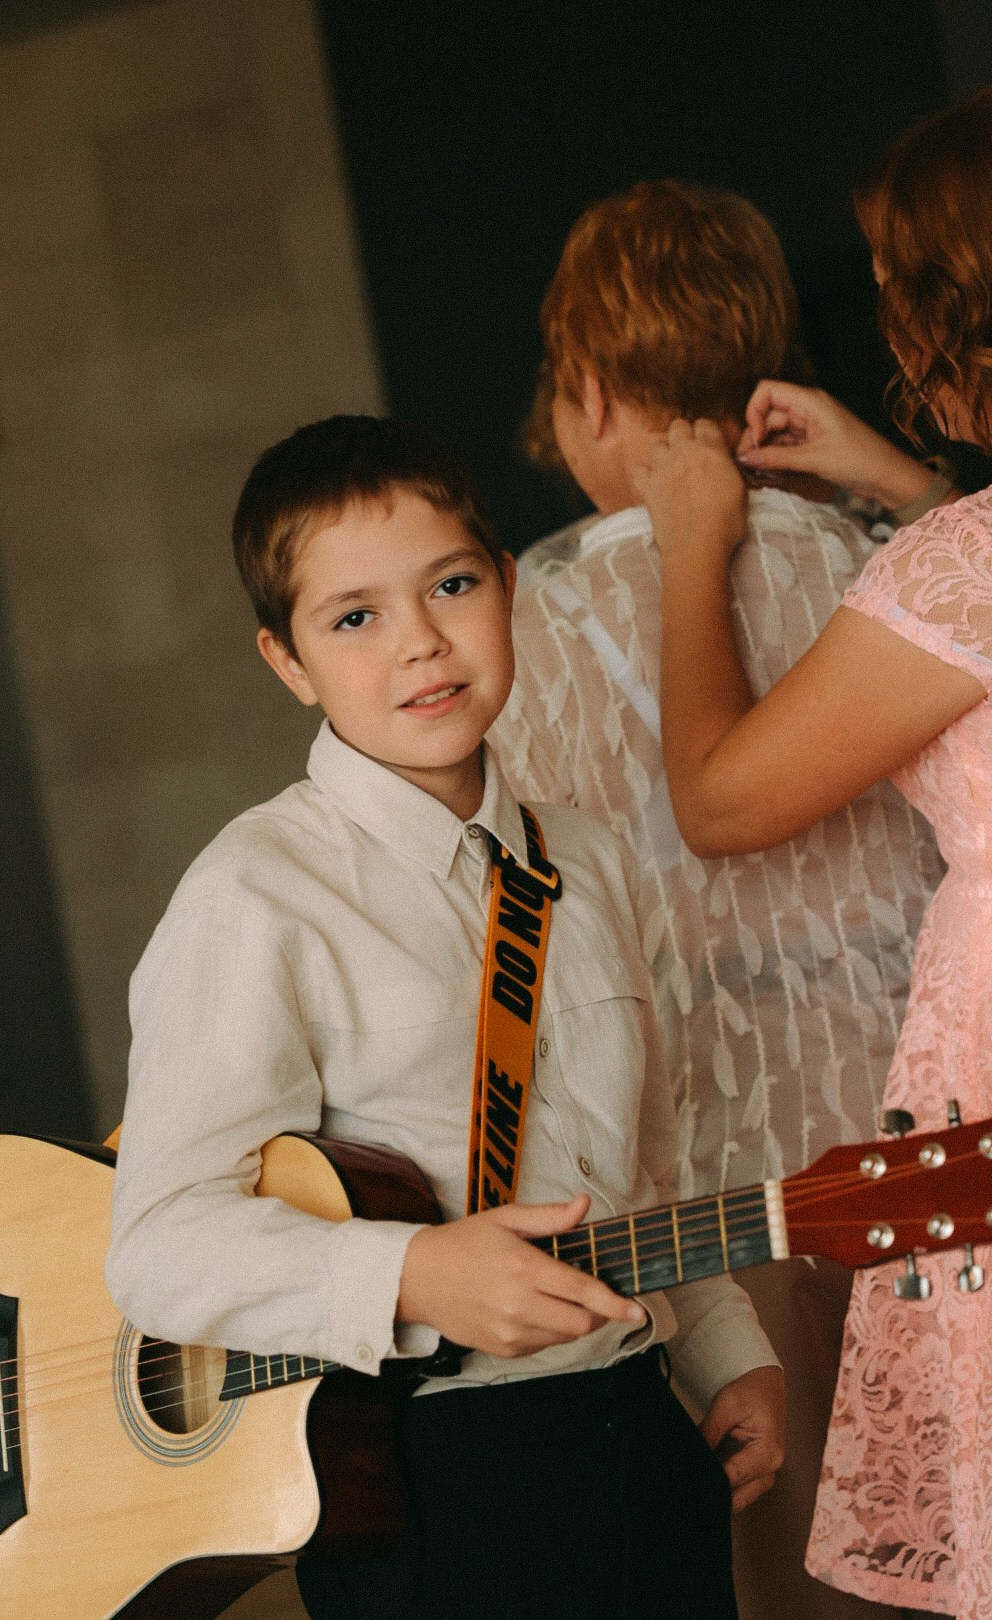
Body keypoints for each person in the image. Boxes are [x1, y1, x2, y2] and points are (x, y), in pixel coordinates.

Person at [105, 414, 784, 1620]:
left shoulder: (587, 855)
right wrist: (412, 1271)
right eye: (354, 616)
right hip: (423, 1479)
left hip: (639, 1430)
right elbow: (158, 1244)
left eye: (453, 585)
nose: (421, 643)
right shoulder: (253, 895)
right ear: (288, 663)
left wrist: (729, 1355)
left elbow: (653, 1161)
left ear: (507, 586)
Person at [489, 180, 942, 1620]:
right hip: (919, 1129)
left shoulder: (527, 620)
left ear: (594, 390)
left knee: (787, 1561)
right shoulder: (888, 559)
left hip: (709, 1198)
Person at [632, 90, 992, 1620]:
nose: (884, 316)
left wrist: (689, 550)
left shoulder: (962, 565)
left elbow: (716, 801)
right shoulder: (954, 547)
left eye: (893, 276)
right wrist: (898, 488)